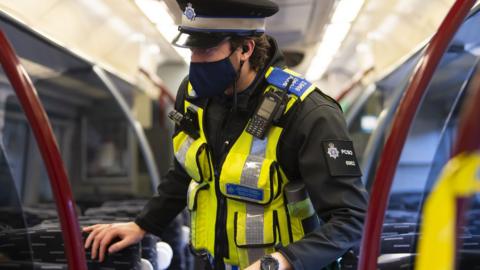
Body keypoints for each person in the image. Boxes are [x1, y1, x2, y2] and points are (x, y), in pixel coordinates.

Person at [83, 0, 368, 269]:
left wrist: (283, 261)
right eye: (191, 51)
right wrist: (143, 225)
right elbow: (188, 171)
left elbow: (350, 218)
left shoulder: (309, 112)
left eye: (206, 50)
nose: (195, 62)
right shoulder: (194, 95)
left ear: (245, 48)